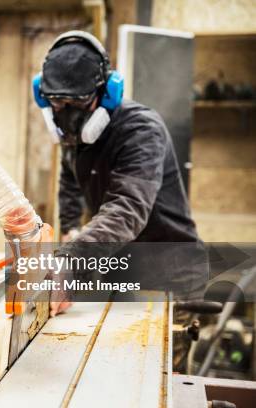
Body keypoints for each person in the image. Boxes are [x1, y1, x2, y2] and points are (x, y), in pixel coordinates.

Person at [36, 31, 206, 371]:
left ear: (107, 93)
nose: (66, 116)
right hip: (123, 268)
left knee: (152, 381)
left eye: (78, 104)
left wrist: (71, 260)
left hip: (169, 276)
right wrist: (70, 230)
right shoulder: (75, 136)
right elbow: (69, 180)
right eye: (57, 103)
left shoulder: (141, 131)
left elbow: (127, 209)